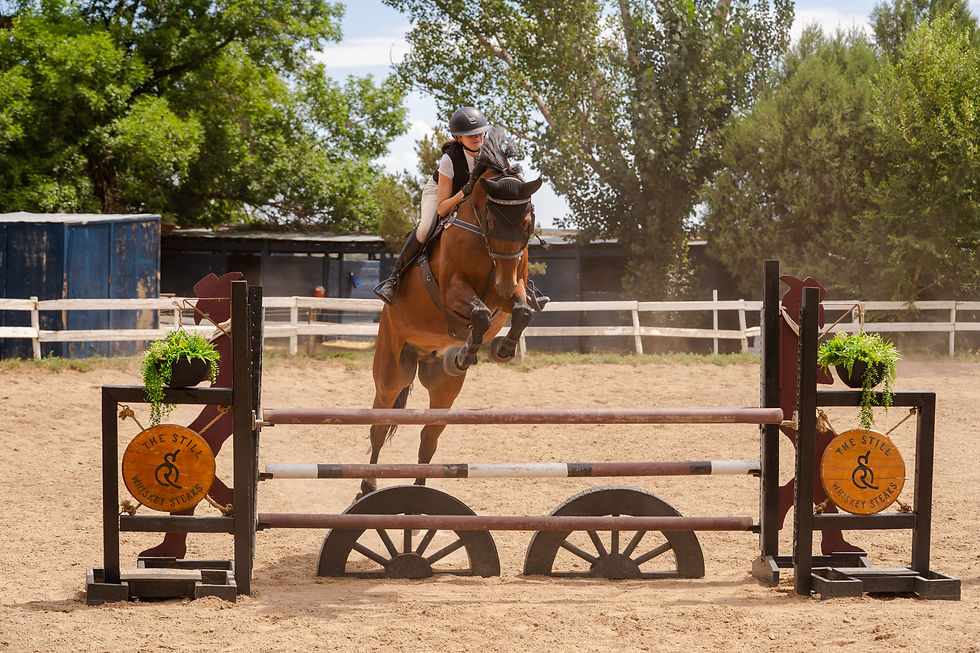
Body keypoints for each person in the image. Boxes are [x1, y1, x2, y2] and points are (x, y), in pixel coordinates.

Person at [374, 106, 491, 305]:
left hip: (473, 198)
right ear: (458, 137)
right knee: (425, 228)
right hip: (441, 194)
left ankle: (526, 284)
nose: (477, 137)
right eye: (470, 135)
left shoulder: (491, 152)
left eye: (479, 132)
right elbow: (443, 208)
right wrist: (465, 191)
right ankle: (394, 279)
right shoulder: (449, 160)